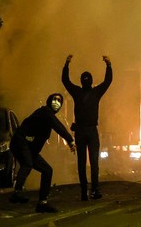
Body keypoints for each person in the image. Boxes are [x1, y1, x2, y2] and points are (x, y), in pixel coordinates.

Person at [9, 93, 76, 213]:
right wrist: (70, 140)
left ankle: (42, 203)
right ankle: (17, 192)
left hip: (29, 148)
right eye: (54, 99)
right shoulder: (45, 112)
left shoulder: (47, 118)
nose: (56, 102)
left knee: (47, 170)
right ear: (49, 101)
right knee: (27, 164)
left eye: (59, 101)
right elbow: (58, 126)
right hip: (20, 142)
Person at [62, 54, 113, 201]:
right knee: (94, 162)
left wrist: (67, 64)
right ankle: (94, 189)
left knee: (82, 163)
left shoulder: (77, 92)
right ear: (91, 81)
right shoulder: (95, 92)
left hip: (81, 131)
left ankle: (84, 191)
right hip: (90, 131)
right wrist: (108, 65)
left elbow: (65, 81)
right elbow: (108, 81)